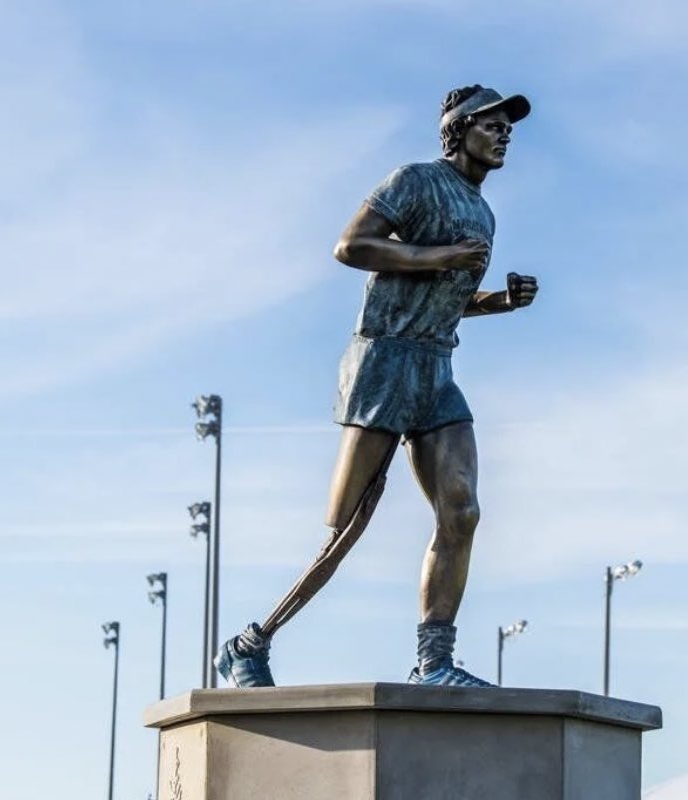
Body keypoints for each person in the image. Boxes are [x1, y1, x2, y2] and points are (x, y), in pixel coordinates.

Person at [215, 85, 538, 688]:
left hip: (437, 367)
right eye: (490, 124)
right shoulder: (414, 181)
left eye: (507, 128)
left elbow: (448, 302)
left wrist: (500, 302)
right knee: (348, 528)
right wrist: (441, 257)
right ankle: (249, 643)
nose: (503, 134)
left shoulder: (483, 211)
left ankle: (434, 662)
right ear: (458, 129)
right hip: (383, 363)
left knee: (461, 509)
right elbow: (351, 246)